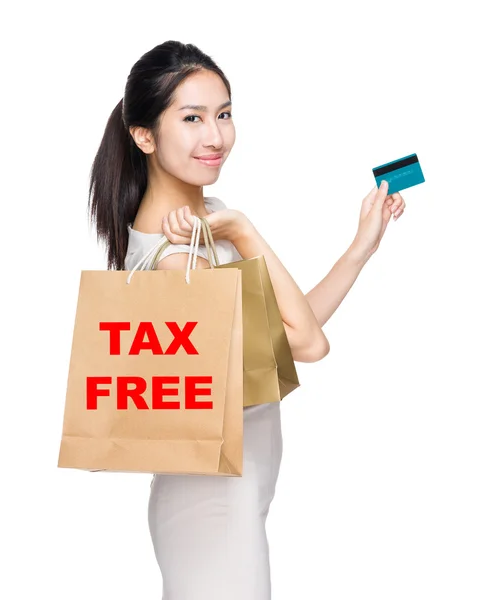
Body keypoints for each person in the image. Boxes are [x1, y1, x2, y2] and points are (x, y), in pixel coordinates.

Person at [88, 40, 406, 600]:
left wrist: (361, 247)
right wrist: (247, 232)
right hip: (211, 507)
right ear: (143, 135)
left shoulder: (206, 218)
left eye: (224, 114)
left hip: (234, 496)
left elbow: (279, 337)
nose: (216, 136)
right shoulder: (176, 258)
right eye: (192, 118)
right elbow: (307, 346)